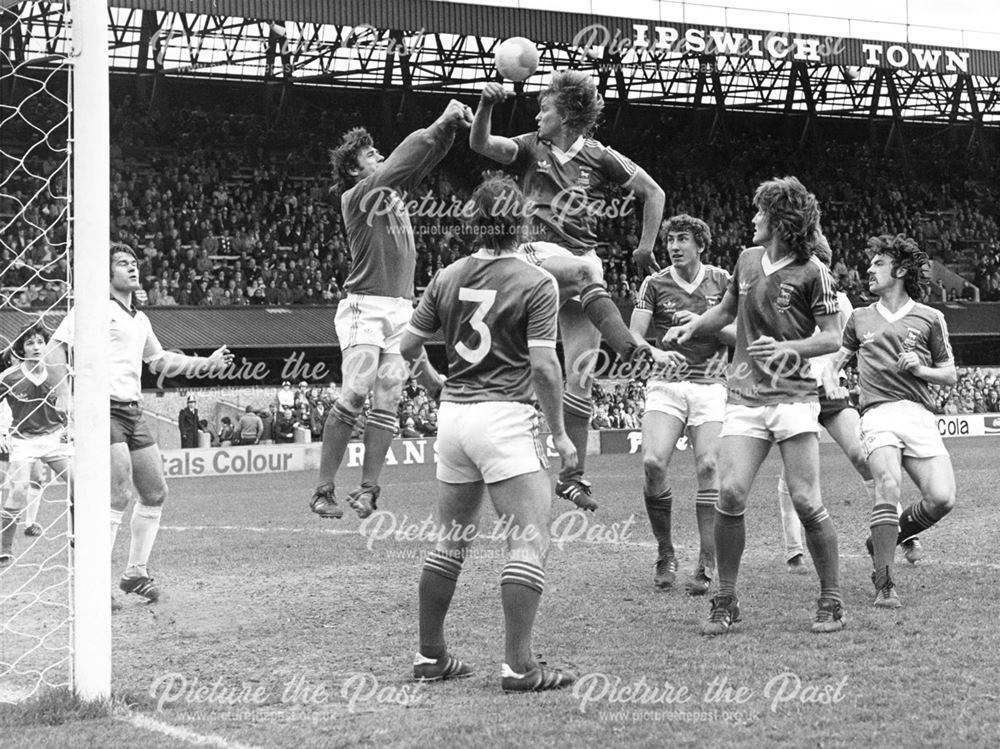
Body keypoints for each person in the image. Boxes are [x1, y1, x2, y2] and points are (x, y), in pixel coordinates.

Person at [399, 175, 577, 692]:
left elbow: (409, 347)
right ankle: (519, 667)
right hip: (504, 417)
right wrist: (562, 434)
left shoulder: (448, 275)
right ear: (521, 220)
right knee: (527, 540)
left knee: (450, 541)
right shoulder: (537, 281)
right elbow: (544, 368)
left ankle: (430, 655)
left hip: (454, 419)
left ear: (473, 219)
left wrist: (436, 382)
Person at [471, 70, 667, 512]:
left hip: (583, 260)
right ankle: (632, 349)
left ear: (568, 115)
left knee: (580, 376)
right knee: (583, 276)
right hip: (535, 253)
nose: (538, 114)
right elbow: (482, 144)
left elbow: (653, 193)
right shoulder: (529, 146)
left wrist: (645, 246)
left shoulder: (600, 156)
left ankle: (572, 478)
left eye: (545, 108)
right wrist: (485, 106)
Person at [666, 176, 845, 635]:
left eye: (760, 212)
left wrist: (792, 351)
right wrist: (694, 327)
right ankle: (725, 600)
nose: (752, 219)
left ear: (780, 221)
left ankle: (831, 599)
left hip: (792, 397)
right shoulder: (746, 261)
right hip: (744, 395)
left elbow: (831, 337)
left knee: (806, 500)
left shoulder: (813, 272)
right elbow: (726, 312)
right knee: (730, 493)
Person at [310, 99, 474, 521]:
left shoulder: (393, 192)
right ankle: (323, 489)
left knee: (388, 400)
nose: (380, 157)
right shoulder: (358, 195)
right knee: (356, 389)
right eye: (370, 155)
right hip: (365, 307)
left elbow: (422, 160)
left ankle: (368, 491)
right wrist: (440, 120)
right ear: (353, 170)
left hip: (401, 310)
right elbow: (405, 158)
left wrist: (449, 132)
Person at [50, 243, 233, 602]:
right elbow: (55, 348)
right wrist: (63, 394)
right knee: (117, 492)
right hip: (101, 409)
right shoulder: (94, 309)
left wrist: (207, 363)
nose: (132, 269)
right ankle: (93, 586)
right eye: (122, 264)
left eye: (134, 263)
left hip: (133, 410)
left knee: (155, 492)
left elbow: (160, 361)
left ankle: (135, 573)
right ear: (107, 274)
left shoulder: (140, 318)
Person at [776, 235, 923, 575]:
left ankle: (902, 531)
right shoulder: (781, 298)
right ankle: (794, 550)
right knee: (792, 473)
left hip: (829, 392)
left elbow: (848, 346)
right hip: (793, 391)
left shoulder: (839, 302)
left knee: (862, 455)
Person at [823, 234, 956, 608]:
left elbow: (949, 374)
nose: (868, 268)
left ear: (900, 270)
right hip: (877, 414)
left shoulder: (931, 318)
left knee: (942, 499)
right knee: (887, 483)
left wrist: (920, 368)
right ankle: (884, 582)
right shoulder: (860, 318)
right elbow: (834, 364)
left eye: (878, 263)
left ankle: (884, 539)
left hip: (917, 415)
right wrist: (832, 383)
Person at [628, 215, 730, 595]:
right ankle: (665, 550)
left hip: (711, 384)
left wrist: (703, 323)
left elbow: (743, 333)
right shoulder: (654, 283)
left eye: (682, 239)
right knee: (653, 463)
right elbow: (634, 335)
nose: (673, 245)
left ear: (700, 245)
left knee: (708, 465)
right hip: (666, 384)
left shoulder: (722, 281)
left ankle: (706, 560)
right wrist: (653, 351)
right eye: (670, 239)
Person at [0, 322, 73, 564]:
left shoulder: (59, 372)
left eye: (40, 342)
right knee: (18, 490)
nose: (36, 347)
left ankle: (78, 534)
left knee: (81, 485)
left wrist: (71, 427)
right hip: (23, 441)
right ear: (21, 348)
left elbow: (72, 401)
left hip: (55, 439)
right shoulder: (8, 377)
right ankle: (4, 549)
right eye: (30, 342)